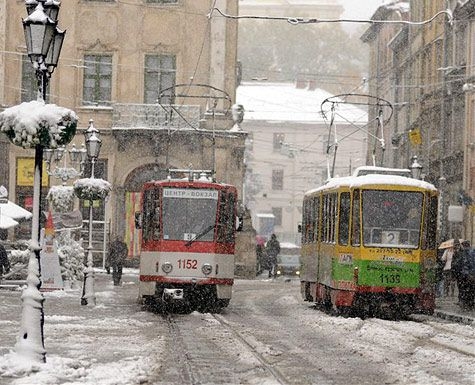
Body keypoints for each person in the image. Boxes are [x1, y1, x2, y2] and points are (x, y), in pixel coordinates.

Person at [452, 239, 475, 310]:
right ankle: (471, 304)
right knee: (471, 290)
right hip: (472, 274)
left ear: (463, 245)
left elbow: (457, 265)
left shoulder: (462, 253)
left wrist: (455, 274)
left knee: (464, 290)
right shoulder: (473, 252)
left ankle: (465, 304)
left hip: (463, 275)